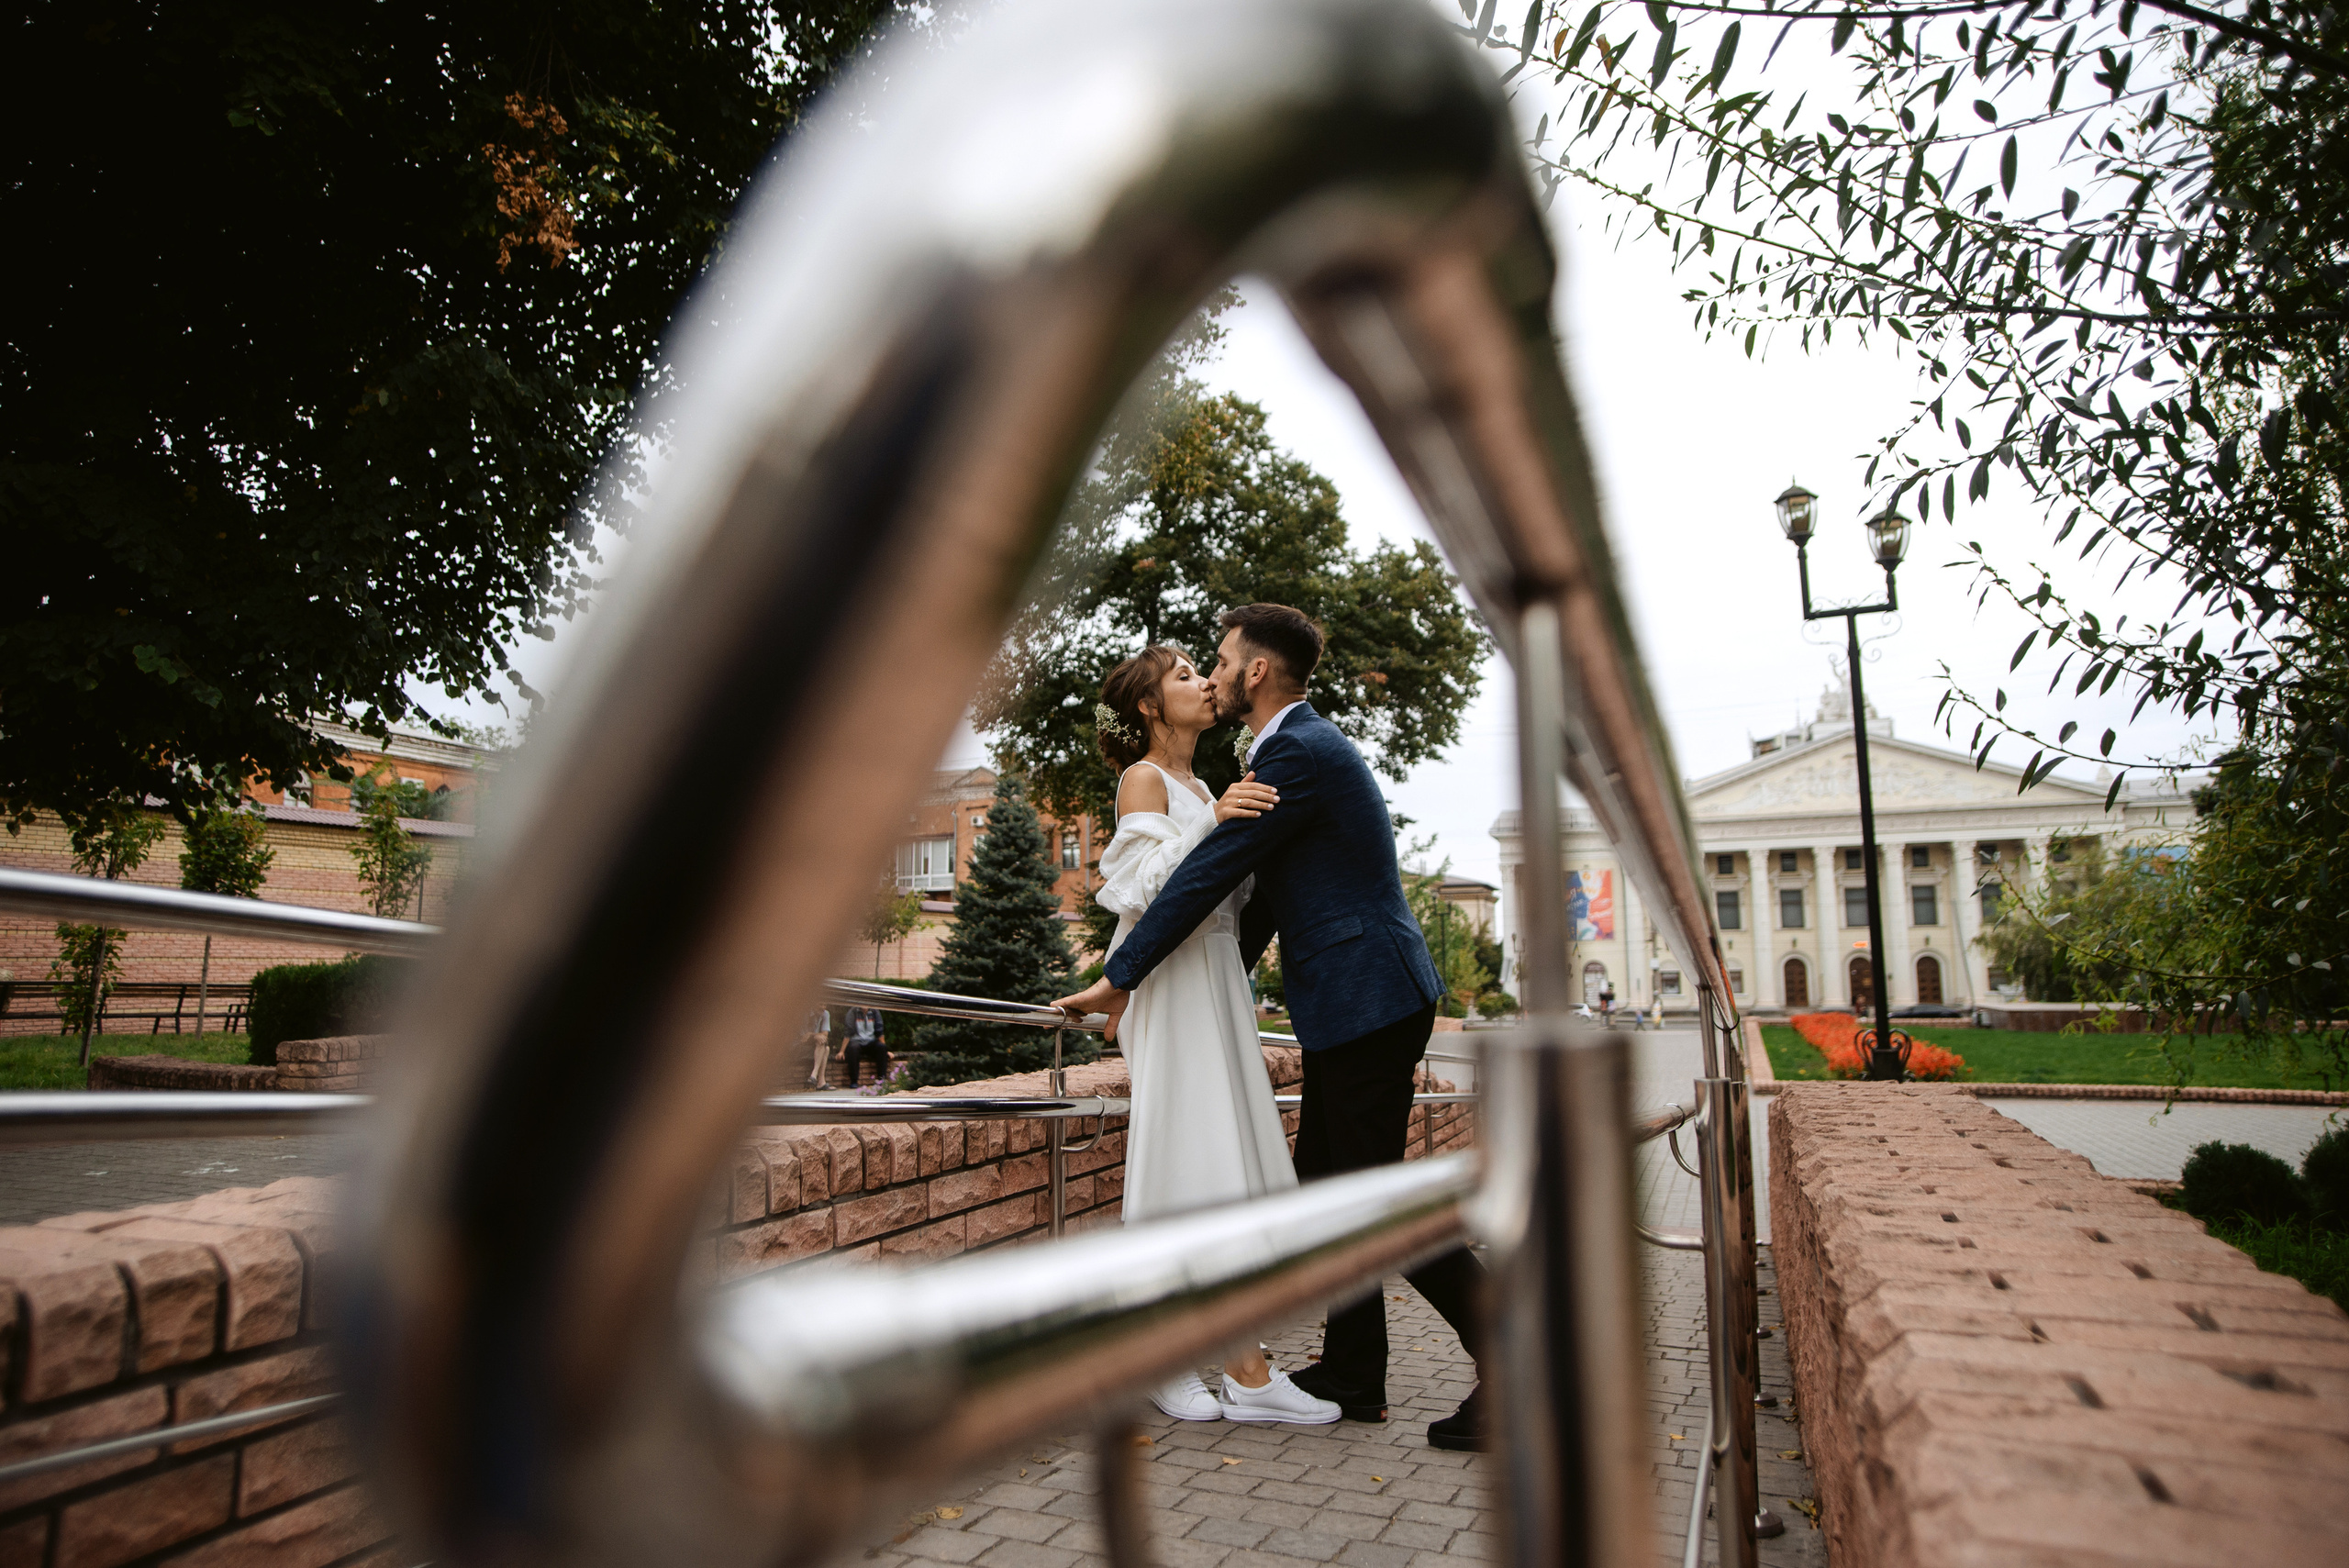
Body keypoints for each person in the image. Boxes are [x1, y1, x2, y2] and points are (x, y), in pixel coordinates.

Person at [1056, 604, 1486, 1451]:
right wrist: (1180, 982)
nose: (1212, 674)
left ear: (1255, 671)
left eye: (1217, 660)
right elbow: (1237, 905)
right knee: (1333, 1186)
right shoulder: (1278, 752)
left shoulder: (1294, 750)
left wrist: (1120, 977)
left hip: (1369, 998)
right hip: (1353, 1001)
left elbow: (1207, 875)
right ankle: (1354, 1371)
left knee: (1368, 1195)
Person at [1067, 642, 1340, 1426]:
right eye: (1184, 674)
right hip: (1169, 979)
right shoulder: (1144, 779)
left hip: (1217, 977)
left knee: (1223, 1156)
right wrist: (1215, 823)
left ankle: (1234, 1360)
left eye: (1199, 667)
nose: (1203, 681)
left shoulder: (1204, 782)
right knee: (1182, 1152)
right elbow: (1141, 890)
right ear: (1151, 706)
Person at [842, 1006, 890, 1086]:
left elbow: (880, 1031)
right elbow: (848, 1031)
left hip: (871, 1041)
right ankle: (854, 1081)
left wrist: (886, 1051)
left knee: (881, 1047)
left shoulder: (875, 1012)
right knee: (853, 1049)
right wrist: (841, 1051)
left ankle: (882, 1079)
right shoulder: (853, 1012)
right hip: (856, 1041)